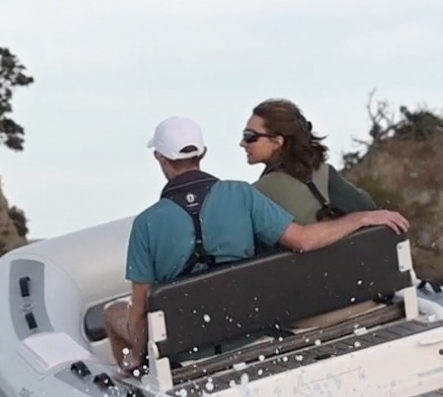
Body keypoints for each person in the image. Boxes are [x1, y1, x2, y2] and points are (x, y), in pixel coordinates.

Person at [101, 115, 409, 373]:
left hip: (187, 355)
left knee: (115, 312)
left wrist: (137, 355)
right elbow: (304, 240)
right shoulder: (243, 194)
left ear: (159, 156)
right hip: (254, 337)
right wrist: (360, 218)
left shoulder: (146, 224)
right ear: (203, 153)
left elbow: (139, 311)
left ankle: (132, 372)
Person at [243, 98, 378, 224]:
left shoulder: (258, 191)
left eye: (249, 136)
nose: (242, 143)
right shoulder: (324, 172)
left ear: (277, 142)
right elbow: (368, 207)